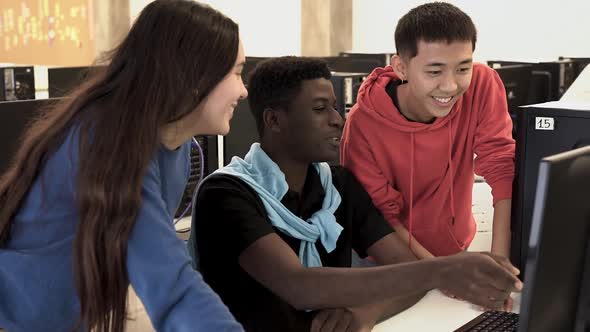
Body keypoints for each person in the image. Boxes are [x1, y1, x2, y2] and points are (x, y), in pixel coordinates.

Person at [189, 56, 521, 332]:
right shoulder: (226, 194)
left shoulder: (337, 185)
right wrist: (442, 269)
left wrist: (365, 315)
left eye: (335, 107)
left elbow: (404, 269)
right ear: (275, 121)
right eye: (320, 109)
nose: (338, 120)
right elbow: (299, 286)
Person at [0, 1, 247, 331]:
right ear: (194, 76)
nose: (243, 90)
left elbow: (158, 265)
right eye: (237, 72)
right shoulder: (108, 145)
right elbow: (172, 289)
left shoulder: (177, 147)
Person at [340, 3, 514, 262]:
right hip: (390, 259)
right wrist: (442, 273)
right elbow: (381, 217)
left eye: (463, 68)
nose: (450, 85)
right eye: (434, 71)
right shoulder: (362, 125)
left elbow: (501, 167)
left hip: (454, 251)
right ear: (400, 67)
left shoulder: (483, 84)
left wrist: (502, 262)